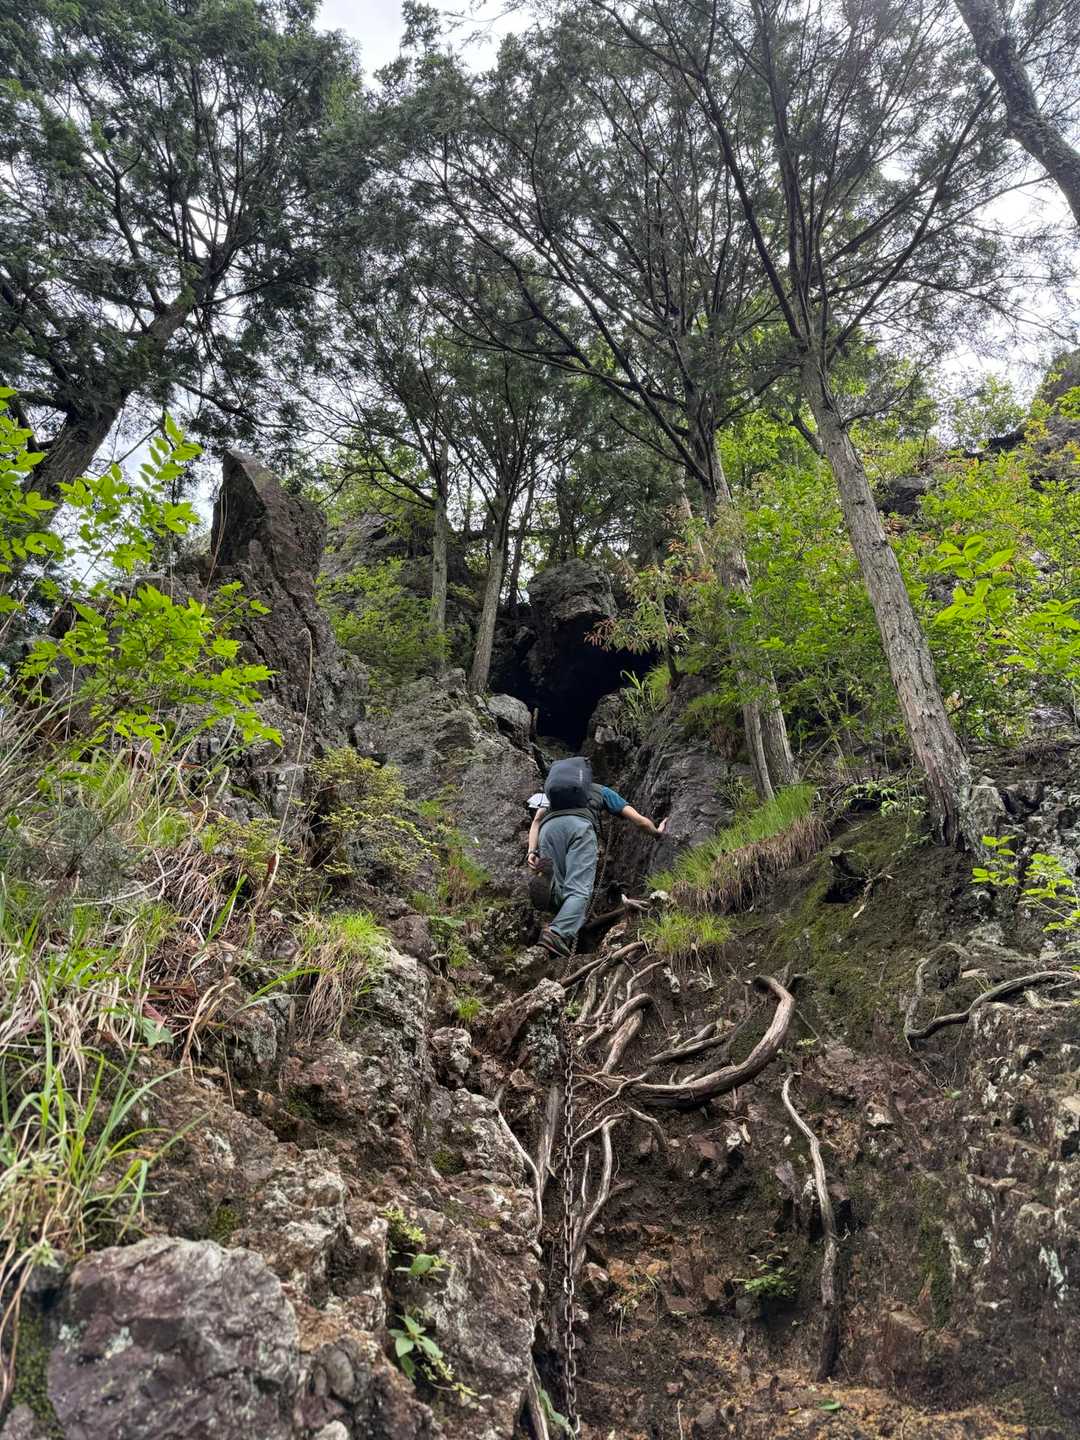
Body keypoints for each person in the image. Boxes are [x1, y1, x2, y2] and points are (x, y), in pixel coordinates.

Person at [526, 760, 667, 957]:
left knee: (560, 884)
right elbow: (639, 821)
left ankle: (551, 887)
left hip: (548, 831)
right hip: (579, 828)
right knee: (579, 889)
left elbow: (536, 821)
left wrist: (532, 851)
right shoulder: (601, 791)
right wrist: (657, 833)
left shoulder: (552, 795)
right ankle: (557, 933)